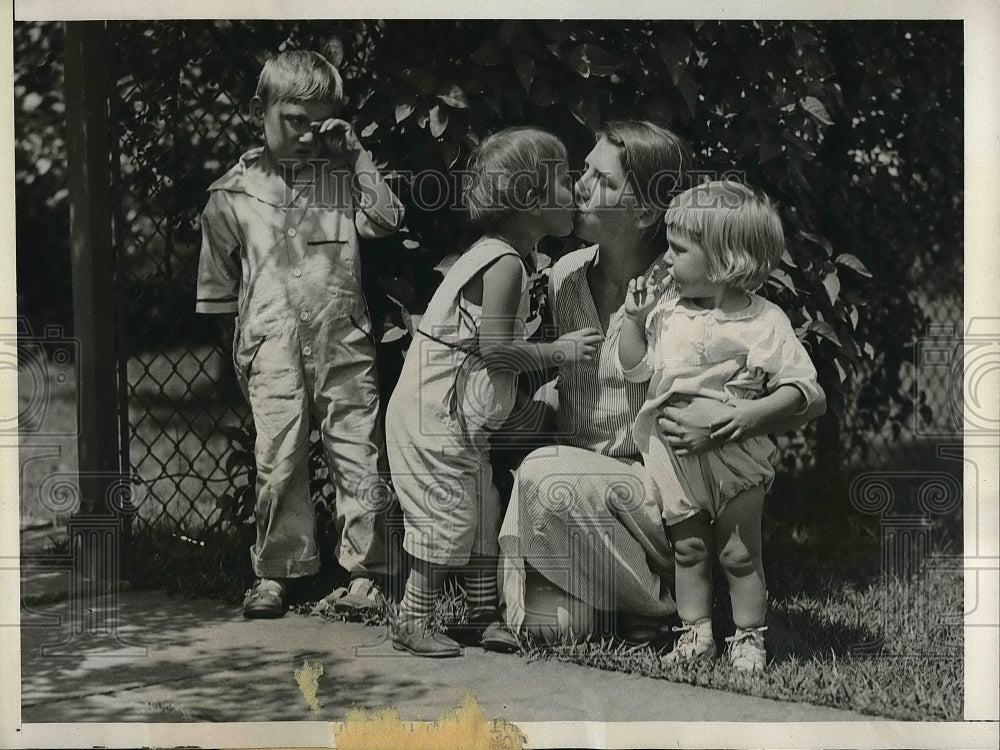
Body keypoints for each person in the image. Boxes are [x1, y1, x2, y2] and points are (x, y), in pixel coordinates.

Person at [196, 50, 404, 619]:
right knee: (279, 456)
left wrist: (358, 156)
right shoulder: (230, 195)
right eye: (294, 119)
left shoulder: (342, 181)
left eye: (321, 121)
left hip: (343, 340)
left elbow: (387, 220)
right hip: (271, 345)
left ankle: (368, 573)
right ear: (257, 112)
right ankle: (278, 570)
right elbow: (217, 292)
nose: (308, 133)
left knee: (358, 451)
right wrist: (242, 353)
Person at [385, 127, 604, 657]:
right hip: (434, 420)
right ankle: (413, 616)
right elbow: (496, 352)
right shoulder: (504, 262)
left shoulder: (507, 256)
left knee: (482, 508)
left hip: (457, 423)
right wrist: (560, 353)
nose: (575, 189)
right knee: (448, 515)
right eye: (564, 180)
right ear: (530, 201)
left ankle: (484, 614)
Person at [498, 120, 694, 641]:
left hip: (649, 502)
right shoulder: (564, 276)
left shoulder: (678, 297)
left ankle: (663, 601)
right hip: (575, 505)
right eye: (584, 170)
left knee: (539, 472)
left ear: (647, 211)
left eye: (603, 180)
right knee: (549, 628)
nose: (580, 185)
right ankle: (624, 604)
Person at [620, 180, 825, 671]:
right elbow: (635, 370)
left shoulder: (763, 321)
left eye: (678, 249)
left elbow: (804, 389)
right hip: (676, 460)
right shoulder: (666, 315)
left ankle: (749, 637)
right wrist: (633, 320)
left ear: (724, 260)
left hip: (737, 458)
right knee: (688, 549)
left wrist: (746, 416)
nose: (666, 260)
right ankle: (696, 634)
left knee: (738, 554)